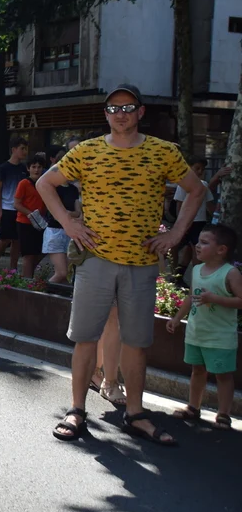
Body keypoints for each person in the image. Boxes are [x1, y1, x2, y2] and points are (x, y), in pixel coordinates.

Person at [38, 83, 204, 446]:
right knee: (85, 339)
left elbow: (196, 190)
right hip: (95, 259)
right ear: (106, 114)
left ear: (140, 112)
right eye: (113, 108)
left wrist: (177, 234)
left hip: (142, 262)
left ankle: (135, 413)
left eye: (128, 107)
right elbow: (45, 183)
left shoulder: (163, 151)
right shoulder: (87, 151)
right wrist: (68, 225)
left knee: (137, 343)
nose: (121, 114)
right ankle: (76, 410)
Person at [167, 224, 238, 431]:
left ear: (221, 249)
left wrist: (214, 299)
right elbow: (191, 297)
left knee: (223, 375)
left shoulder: (230, 273)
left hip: (220, 336)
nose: (197, 245)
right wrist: (177, 318)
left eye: (204, 242)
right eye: (198, 241)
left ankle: (223, 414)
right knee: (197, 370)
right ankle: (193, 407)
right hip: (196, 333)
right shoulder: (197, 269)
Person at [42, 145, 79, 284]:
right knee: (61, 273)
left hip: (70, 232)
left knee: (67, 275)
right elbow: (52, 211)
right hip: (54, 232)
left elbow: (77, 212)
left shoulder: (73, 189)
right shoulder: (52, 187)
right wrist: (65, 214)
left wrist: (67, 213)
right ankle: (39, 291)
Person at [174, 157, 215, 276]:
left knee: (195, 250)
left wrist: (216, 218)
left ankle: (192, 277)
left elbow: (210, 205)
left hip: (199, 222)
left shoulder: (204, 184)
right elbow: (179, 205)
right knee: (181, 249)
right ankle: (176, 275)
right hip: (186, 222)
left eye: (202, 169)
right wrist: (181, 223)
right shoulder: (182, 185)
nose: (200, 171)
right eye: (197, 168)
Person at [0, 136, 29, 270]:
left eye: (26, 149)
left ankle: (13, 268)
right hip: (7, 207)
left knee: (17, 240)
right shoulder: (3, 168)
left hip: (20, 209)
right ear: (14, 149)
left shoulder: (24, 168)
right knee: (5, 239)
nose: (25, 152)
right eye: (22, 148)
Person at [13, 153, 48, 279]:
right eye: (33, 167)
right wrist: (31, 214)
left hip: (41, 223)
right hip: (25, 222)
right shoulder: (24, 183)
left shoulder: (44, 183)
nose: (36, 170)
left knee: (41, 252)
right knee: (28, 254)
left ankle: (27, 277)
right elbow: (16, 204)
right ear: (28, 168)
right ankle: (27, 282)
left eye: (39, 167)